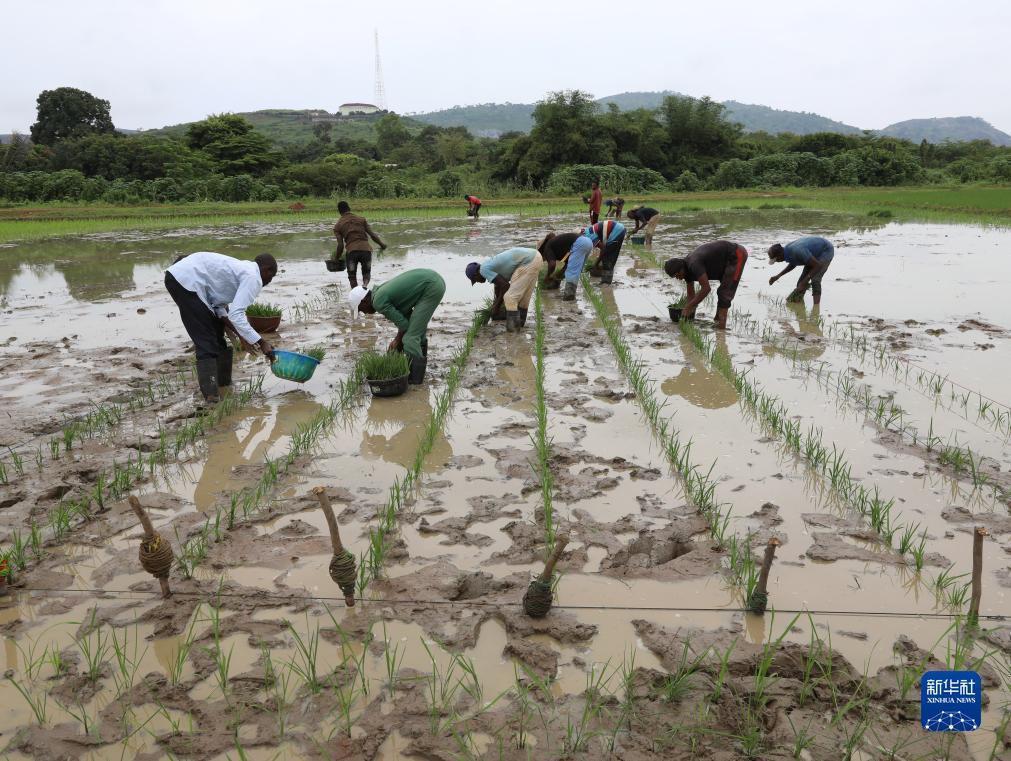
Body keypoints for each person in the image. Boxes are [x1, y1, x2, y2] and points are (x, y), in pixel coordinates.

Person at [165, 252, 277, 402]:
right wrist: (261, 342)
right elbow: (236, 315)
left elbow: (220, 309)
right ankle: (212, 397)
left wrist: (243, 336)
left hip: (185, 281)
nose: (270, 280)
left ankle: (223, 385)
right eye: (272, 276)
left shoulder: (242, 271)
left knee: (217, 335)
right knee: (206, 339)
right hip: (185, 280)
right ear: (267, 270)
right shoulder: (253, 277)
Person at [347, 269, 446, 385]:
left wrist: (397, 341)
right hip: (434, 280)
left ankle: (415, 381)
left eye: (361, 309)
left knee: (409, 339)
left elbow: (403, 325)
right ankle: (419, 371)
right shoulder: (380, 292)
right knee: (416, 333)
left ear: (363, 301)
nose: (364, 313)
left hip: (431, 287)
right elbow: (406, 320)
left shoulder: (378, 302)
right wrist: (397, 342)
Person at [663, 240, 748, 330]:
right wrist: (687, 313)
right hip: (721, 262)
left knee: (725, 294)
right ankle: (717, 320)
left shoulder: (693, 264)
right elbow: (691, 295)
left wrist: (688, 307)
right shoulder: (686, 272)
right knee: (722, 291)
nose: (678, 278)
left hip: (736, 254)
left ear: (681, 269)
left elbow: (706, 289)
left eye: (677, 275)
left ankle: (721, 332)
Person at [465, 247, 544, 332]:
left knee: (510, 298)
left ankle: (513, 331)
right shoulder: (489, 266)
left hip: (528, 261)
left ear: (476, 274)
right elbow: (498, 287)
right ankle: (520, 325)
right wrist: (494, 305)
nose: (477, 282)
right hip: (536, 257)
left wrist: (497, 306)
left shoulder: (483, 270)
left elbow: (505, 286)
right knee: (523, 299)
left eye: (475, 280)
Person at [333, 200, 386, 288]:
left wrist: (336, 259)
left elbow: (340, 245)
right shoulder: (361, 219)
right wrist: (382, 245)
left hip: (352, 253)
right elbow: (372, 235)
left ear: (339, 212)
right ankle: (365, 286)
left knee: (352, 276)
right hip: (366, 251)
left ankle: (355, 292)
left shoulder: (338, 225)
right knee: (366, 273)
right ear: (349, 208)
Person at [767, 236, 834, 304]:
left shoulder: (797, 251)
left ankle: (816, 308)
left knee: (815, 279)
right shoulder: (787, 251)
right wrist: (778, 276)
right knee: (800, 282)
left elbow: (818, 266)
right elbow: (793, 263)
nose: (777, 261)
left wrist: (805, 281)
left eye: (776, 260)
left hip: (825, 250)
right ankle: (798, 302)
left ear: (780, 255)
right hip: (812, 254)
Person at [583, 219, 626, 285]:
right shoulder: (587, 232)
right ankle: (608, 280)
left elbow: (603, 249)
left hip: (616, 231)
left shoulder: (588, 236)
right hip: (620, 229)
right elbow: (602, 248)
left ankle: (605, 283)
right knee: (612, 257)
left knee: (606, 258)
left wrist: (596, 263)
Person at [561, 235, 594, 302]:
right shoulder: (572, 237)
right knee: (579, 268)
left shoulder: (552, 246)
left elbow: (566, 255)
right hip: (590, 243)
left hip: (581, 243)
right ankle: (571, 294)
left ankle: (569, 296)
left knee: (572, 271)